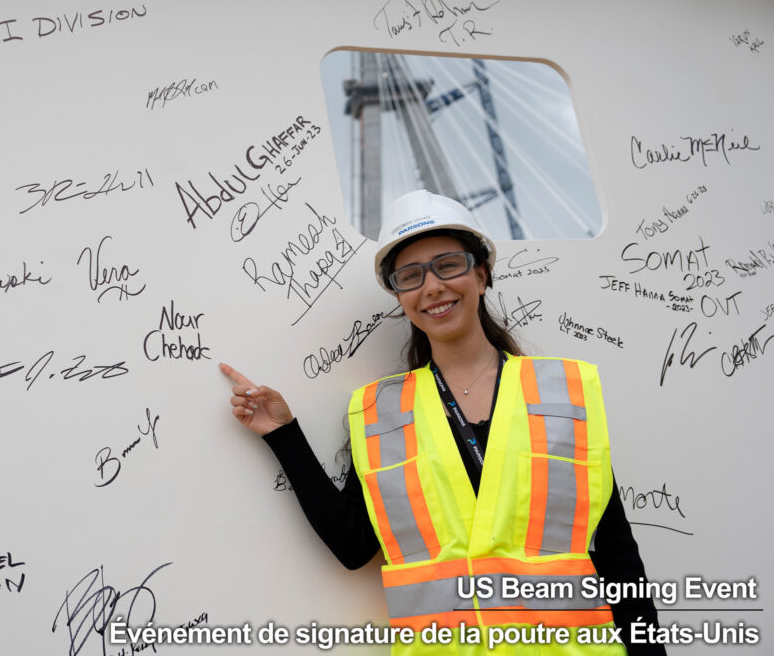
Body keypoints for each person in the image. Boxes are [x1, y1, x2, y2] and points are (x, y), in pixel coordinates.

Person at [221, 191, 665, 655]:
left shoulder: (559, 392)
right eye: (410, 276)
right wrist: (284, 435)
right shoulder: (383, 414)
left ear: (481, 272)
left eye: (448, 264)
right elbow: (352, 546)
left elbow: (618, 553)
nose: (431, 286)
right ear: (398, 295)